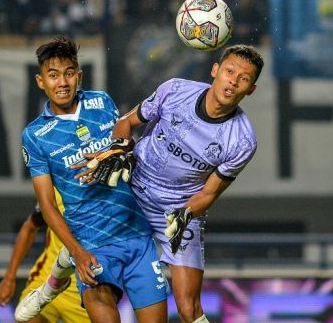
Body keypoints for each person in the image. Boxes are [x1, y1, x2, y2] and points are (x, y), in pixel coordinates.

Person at [74, 44, 263, 323]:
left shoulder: (243, 141)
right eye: (229, 71)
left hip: (179, 210)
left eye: (243, 78)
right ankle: (59, 271)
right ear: (215, 71)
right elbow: (127, 122)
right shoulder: (175, 90)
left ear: (251, 89)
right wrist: (119, 148)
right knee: (100, 281)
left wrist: (183, 216)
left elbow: (209, 193)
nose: (233, 81)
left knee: (188, 308)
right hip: (133, 189)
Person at [16, 35, 169, 323]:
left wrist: (125, 150)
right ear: (40, 81)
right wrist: (78, 253)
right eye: (53, 75)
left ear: (79, 76)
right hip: (92, 247)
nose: (62, 82)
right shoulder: (35, 136)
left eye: (69, 73)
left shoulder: (102, 102)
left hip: (136, 236)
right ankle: (59, 275)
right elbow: (47, 206)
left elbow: (127, 152)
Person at [0, 191, 90, 323]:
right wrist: (9, 278)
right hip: (46, 280)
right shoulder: (57, 190)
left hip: (85, 291)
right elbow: (30, 227)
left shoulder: (110, 196)